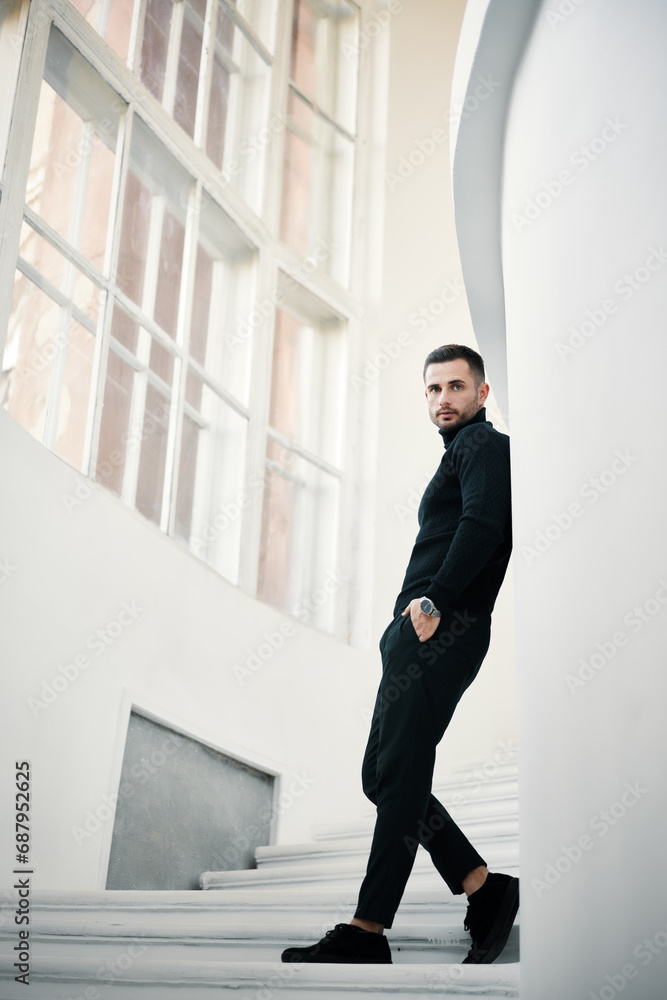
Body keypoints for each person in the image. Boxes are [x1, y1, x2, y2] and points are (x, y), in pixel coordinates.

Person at [281, 344, 518, 965]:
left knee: (396, 772)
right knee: (380, 775)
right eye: (434, 389)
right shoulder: (459, 454)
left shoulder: (481, 446)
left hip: (443, 624)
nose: (444, 399)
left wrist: (432, 602)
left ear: (482, 394)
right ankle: (482, 888)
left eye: (457, 387)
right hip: (421, 631)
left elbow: (484, 525)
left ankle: (367, 930)